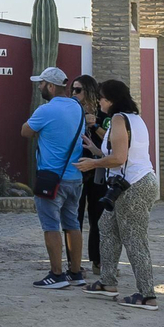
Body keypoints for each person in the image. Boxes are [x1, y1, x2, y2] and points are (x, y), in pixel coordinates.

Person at [76, 79, 159, 310]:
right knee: (106, 227)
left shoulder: (118, 119)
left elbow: (119, 158)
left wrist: (92, 163)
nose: (98, 101)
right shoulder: (132, 119)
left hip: (133, 187)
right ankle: (107, 282)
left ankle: (147, 295)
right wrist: (94, 149)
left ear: (110, 100)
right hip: (133, 185)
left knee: (135, 240)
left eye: (101, 97)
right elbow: (119, 152)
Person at [21, 66, 86, 288]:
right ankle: (76, 273)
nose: (39, 86)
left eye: (41, 83)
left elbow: (25, 131)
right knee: (72, 223)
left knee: (51, 225)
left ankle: (56, 274)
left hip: (51, 178)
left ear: (50, 86)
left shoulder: (45, 110)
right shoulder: (77, 108)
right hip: (76, 176)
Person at [72, 75, 107, 275]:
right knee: (73, 218)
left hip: (97, 170)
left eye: (78, 90)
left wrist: (94, 125)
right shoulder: (71, 111)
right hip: (75, 169)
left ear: (90, 91)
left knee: (98, 217)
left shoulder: (103, 113)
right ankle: (74, 264)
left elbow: (110, 139)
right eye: (73, 90)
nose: (74, 94)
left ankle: (98, 261)